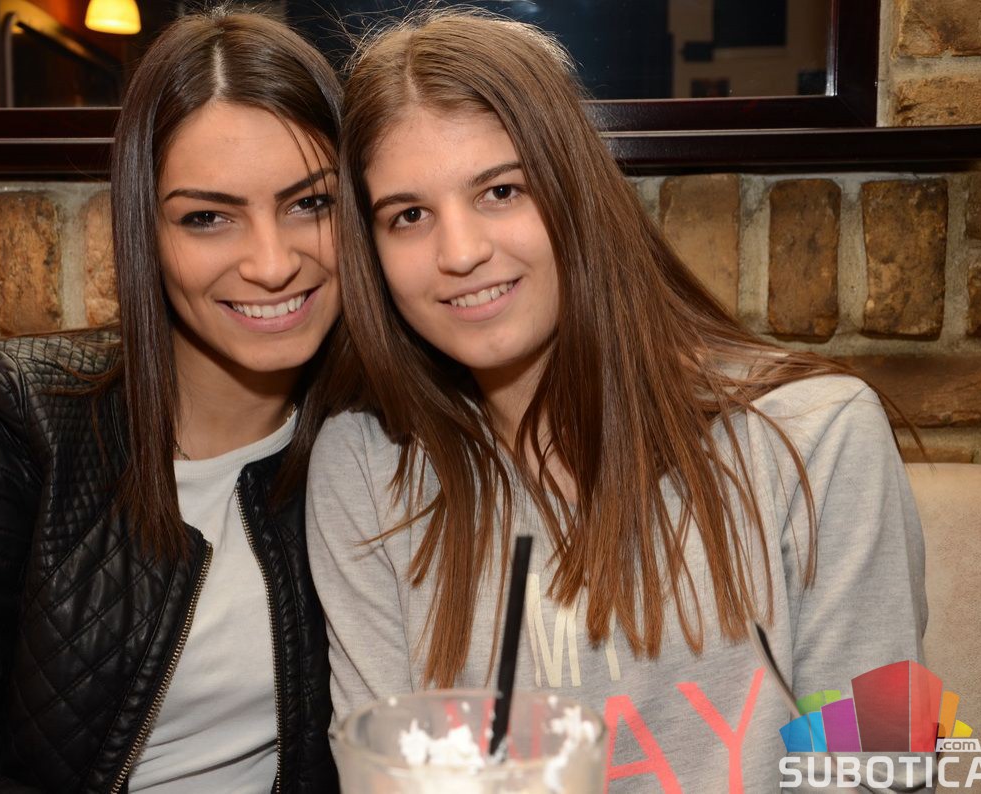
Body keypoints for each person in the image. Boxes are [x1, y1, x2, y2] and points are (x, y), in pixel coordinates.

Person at [306, 11, 926, 790]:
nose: (459, 252)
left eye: (501, 191)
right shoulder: (366, 471)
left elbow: (883, 770)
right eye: (409, 215)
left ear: (577, 192)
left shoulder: (817, 435)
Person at [0, 12, 341, 793]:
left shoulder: (385, 439)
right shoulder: (14, 412)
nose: (271, 261)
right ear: (145, 232)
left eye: (310, 204)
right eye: (207, 217)